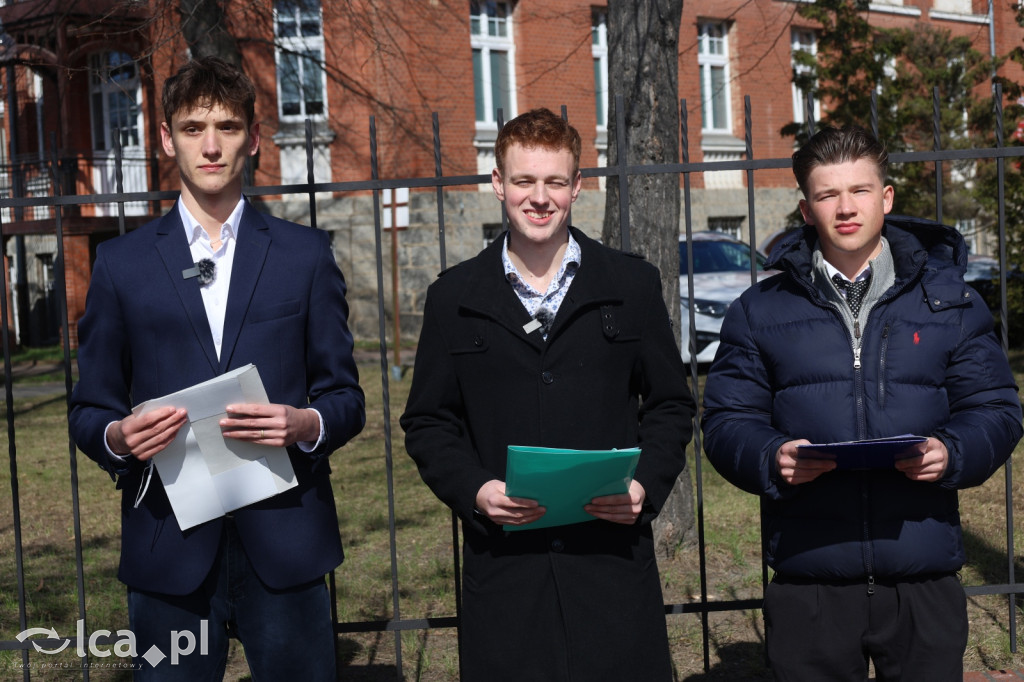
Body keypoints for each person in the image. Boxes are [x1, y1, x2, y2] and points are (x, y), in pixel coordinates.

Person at [68, 56, 365, 680]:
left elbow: (345, 396)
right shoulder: (121, 265)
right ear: (166, 138)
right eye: (193, 126)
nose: (210, 145)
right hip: (167, 545)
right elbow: (88, 407)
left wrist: (303, 423)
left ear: (254, 139)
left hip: (286, 539)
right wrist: (116, 438)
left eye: (227, 127)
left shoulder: (305, 256)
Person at [701, 124, 1023, 681]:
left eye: (860, 191)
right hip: (810, 580)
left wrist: (953, 452)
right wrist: (769, 456)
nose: (845, 208)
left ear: (886, 198)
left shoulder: (950, 302)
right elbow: (727, 421)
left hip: (922, 575)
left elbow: (997, 408)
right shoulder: (759, 310)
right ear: (806, 209)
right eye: (828, 195)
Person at [400, 108, 694, 681]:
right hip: (507, 568)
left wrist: (644, 484)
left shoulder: (630, 286)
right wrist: (476, 490)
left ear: (577, 187)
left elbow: (670, 404)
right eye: (524, 181)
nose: (540, 197)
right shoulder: (453, 297)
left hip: (610, 562)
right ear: (498, 185)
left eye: (555, 181)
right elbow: (430, 422)